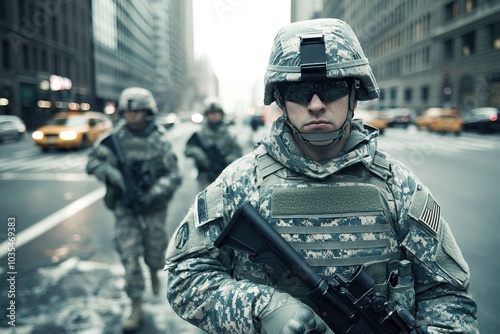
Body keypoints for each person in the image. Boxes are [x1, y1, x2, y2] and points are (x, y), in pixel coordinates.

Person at [164, 19, 478, 334]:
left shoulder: (398, 185)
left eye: (332, 88)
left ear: (354, 94)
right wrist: (262, 308)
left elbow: (448, 296)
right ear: (281, 101)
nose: (316, 104)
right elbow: (185, 277)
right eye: (300, 91)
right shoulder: (239, 182)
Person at [86, 87, 182, 332]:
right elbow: (92, 162)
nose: (131, 116)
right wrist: (111, 174)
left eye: (136, 111)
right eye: (127, 111)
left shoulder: (159, 139)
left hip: (153, 207)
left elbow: (174, 175)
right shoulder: (114, 139)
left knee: (155, 250)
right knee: (129, 255)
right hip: (125, 207)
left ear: (147, 112)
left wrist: (152, 193)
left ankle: (153, 269)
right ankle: (136, 304)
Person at [184, 100, 242, 188]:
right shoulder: (200, 134)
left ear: (221, 114)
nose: (214, 116)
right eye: (211, 113)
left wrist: (229, 160)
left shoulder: (229, 133)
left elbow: (238, 153)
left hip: (226, 174)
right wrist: (199, 154)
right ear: (207, 115)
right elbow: (187, 149)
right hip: (205, 175)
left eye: (216, 113)